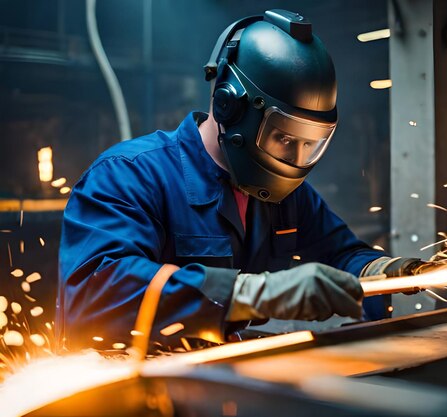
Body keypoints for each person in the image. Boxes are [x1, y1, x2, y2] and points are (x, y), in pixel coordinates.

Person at [56, 9, 425, 351]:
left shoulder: (286, 196)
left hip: (215, 384)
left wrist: (374, 270)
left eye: (309, 144)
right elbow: (94, 297)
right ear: (228, 106)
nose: (295, 160)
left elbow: (342, 252)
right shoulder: (130, 174)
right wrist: (249, 293)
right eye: (283, 137)